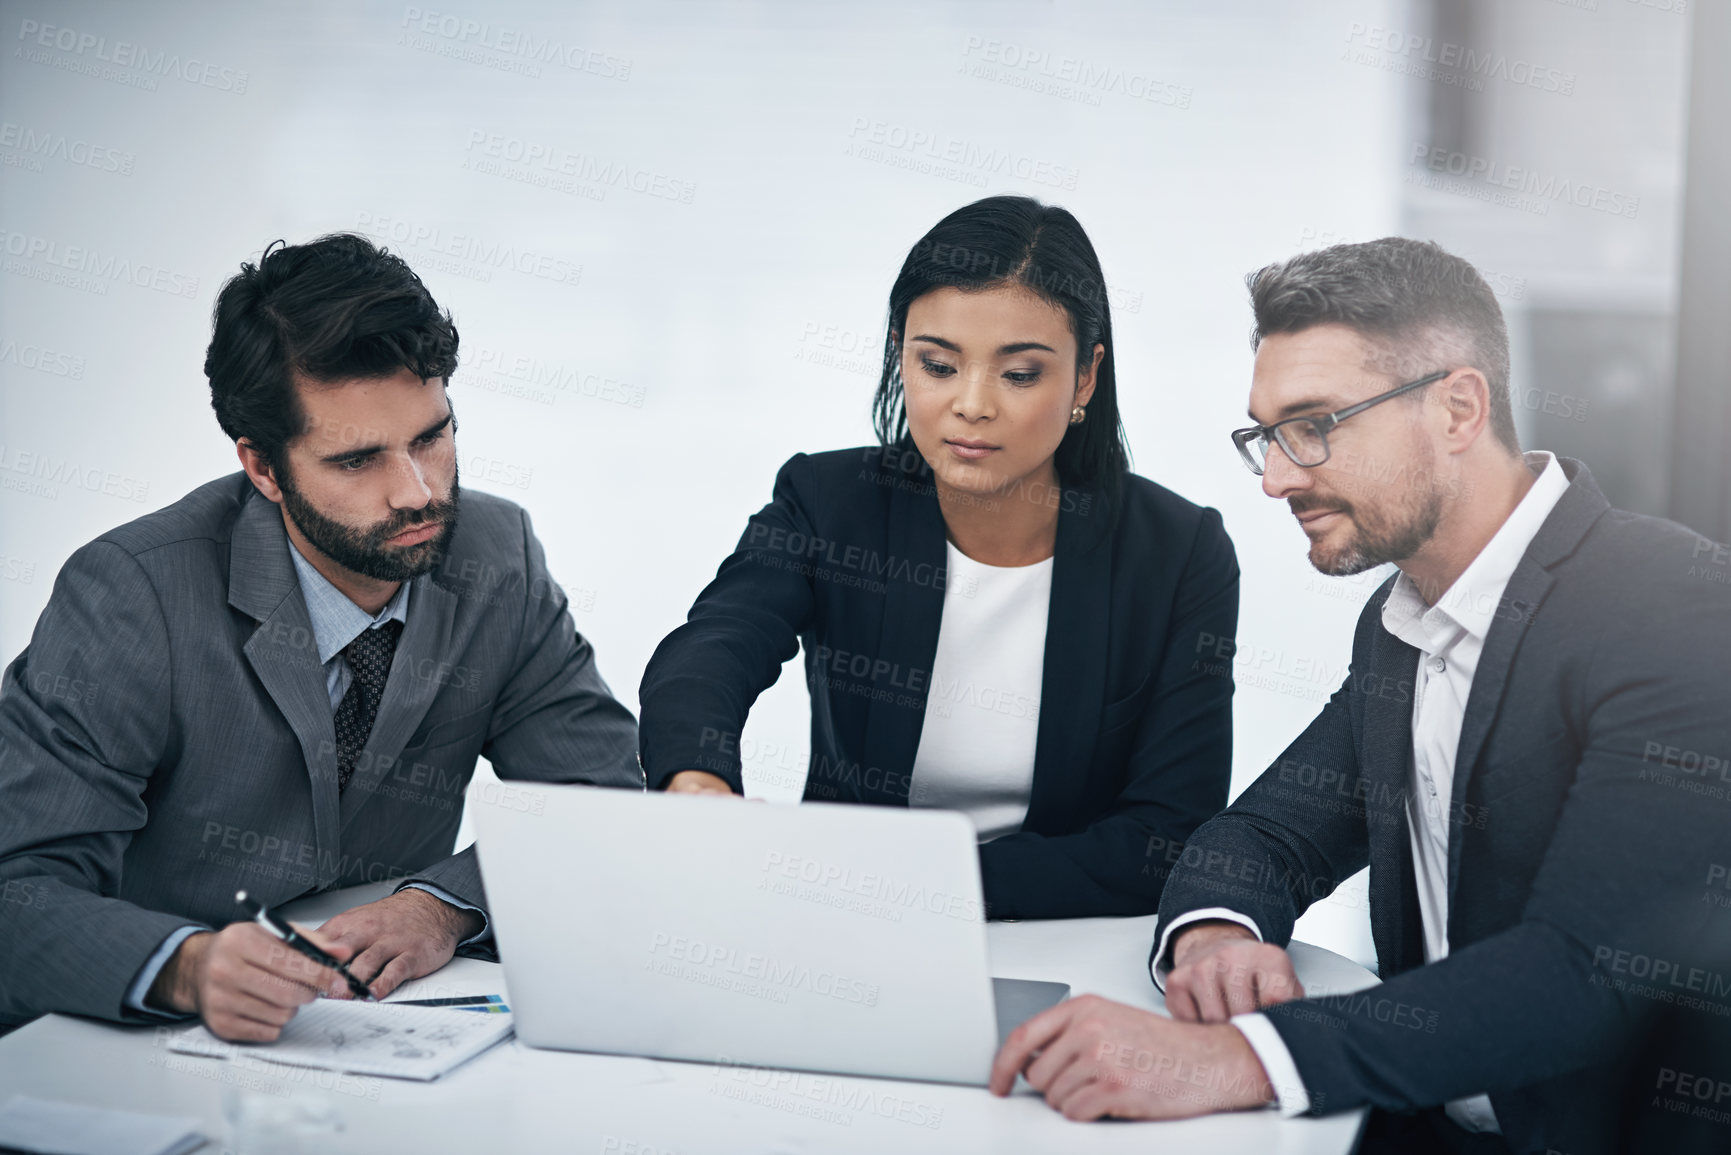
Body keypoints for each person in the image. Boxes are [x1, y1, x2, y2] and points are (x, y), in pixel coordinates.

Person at [989, 238, 1731, 1155]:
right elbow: (1264, 834)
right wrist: (1218, 936)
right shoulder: (1402, 620)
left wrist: (1239, 1056)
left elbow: (1582, 973)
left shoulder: (1677, 606)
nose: (1275, 477)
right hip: (1413, 1126)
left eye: (1313, 425)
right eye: (1263, 435)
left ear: (1457, 407)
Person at [0, 234, 641, 1041]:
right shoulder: (133, 592)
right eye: (356, 460)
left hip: (376, 1042)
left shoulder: (494, 554)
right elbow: (18, 887)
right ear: (263, 469)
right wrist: (185, 965)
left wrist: (440, 907)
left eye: (431, 436)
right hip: (130, 1047)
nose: (417, 492)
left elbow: (599, 803)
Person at [637, 195, 1238, 918]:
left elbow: (1164, 835)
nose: (971, 405)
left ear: (1084, 377)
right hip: (841, 933)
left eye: (1018, 374)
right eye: (938, 364)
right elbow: (714, 648)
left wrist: (919, 884)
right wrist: (697, 781)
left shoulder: (1176, 551)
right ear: (901, 355)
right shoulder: (829, 503)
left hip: (1061, 936)